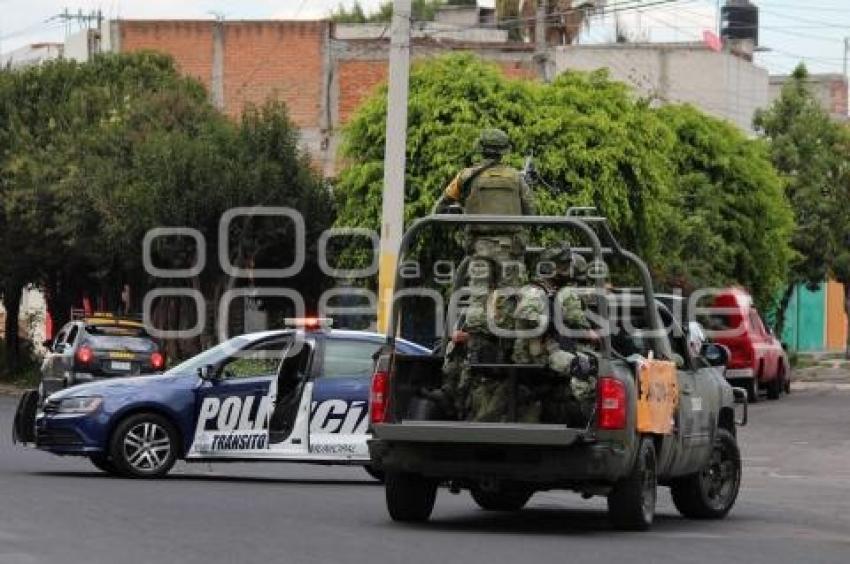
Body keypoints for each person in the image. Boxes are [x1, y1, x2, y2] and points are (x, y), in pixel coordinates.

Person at [434, 129, 537, 421]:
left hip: (478, 249)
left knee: (477, 299)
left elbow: (441, 205)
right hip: (510, 251)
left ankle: (476, 348)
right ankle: (510, 354)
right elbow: (532, 210)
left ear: (481, 148)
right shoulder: (516, 178)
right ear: (505, 150)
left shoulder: (466, 175)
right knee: (510, 303)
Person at [506, 243, 598, 425]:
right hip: (538, 355)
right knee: (585, 370)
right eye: (563, 265)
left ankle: (575, 415)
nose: (568, 270)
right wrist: (547, 323)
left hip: (548, 351)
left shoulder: (552, 293)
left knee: (588, 366)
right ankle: (585, 420)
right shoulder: (534, 292)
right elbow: (525, 318)